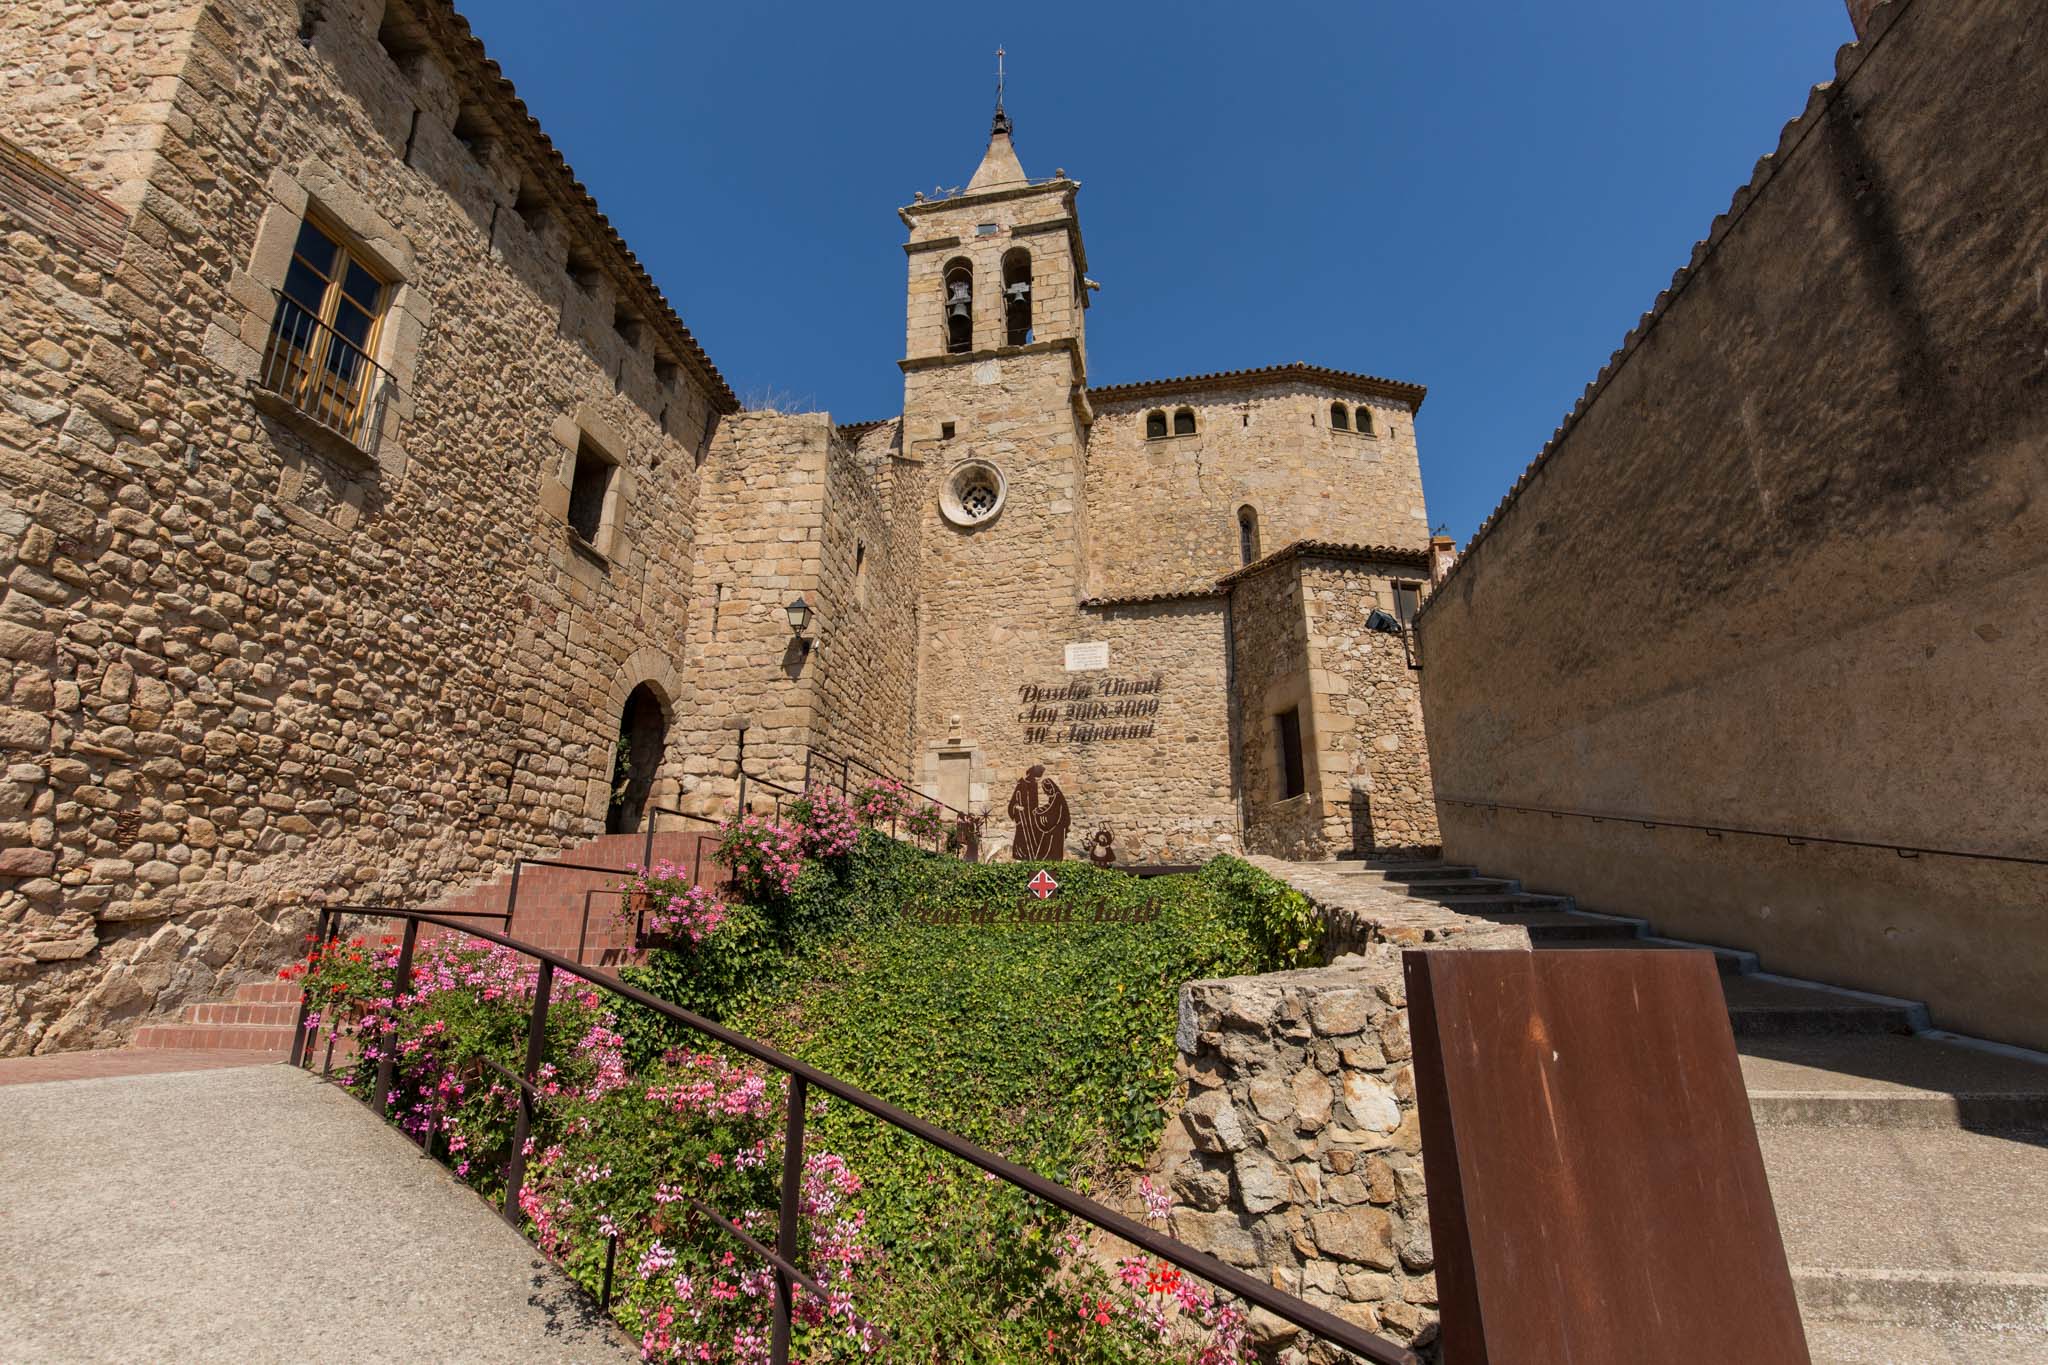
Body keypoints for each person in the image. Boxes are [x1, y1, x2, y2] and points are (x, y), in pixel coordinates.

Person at [1006, 764, 1071, 860]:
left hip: (1033, 819)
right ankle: (1023, 855)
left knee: (1038, 838)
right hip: (1023, 820)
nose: (1037, 781)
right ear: (1032, 776)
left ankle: (1035, 856)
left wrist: (1038, 812)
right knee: (1023, 840)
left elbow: (1050, 808)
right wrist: (1018, 808)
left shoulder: (1035, 786)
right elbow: (1012, 804)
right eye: (1036, 779)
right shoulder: (1021, 785)